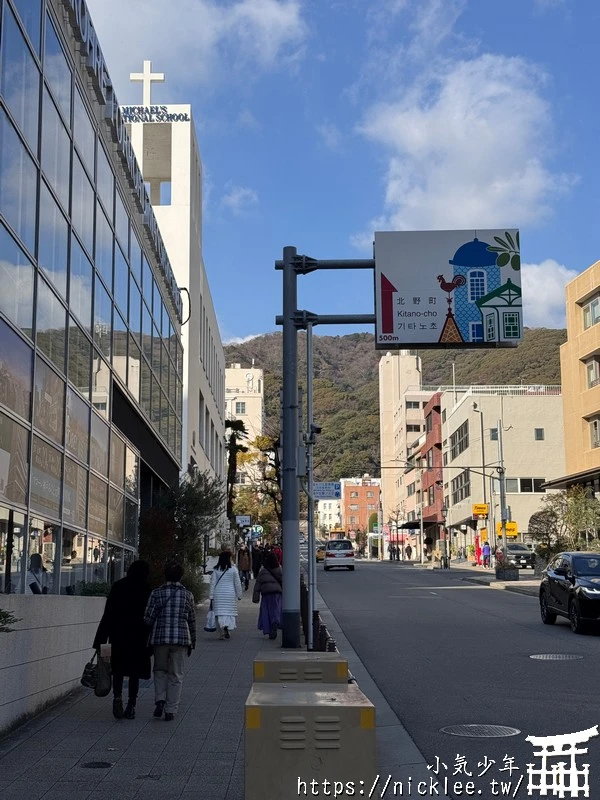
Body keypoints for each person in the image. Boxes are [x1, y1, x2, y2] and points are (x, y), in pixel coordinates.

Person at [93, 560, 151, 720]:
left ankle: (117, 697)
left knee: (117, 669)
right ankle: (131, 705)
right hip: (139, 637)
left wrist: (100, 639)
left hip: (118, 635)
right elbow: (150, 617)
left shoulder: (118, 586)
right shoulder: (146, 589)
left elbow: (108, 613)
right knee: (134, 672)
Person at [144, 561, 196, 722]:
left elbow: (148, 618)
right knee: (176, 674)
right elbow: (192, 621)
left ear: (165, 575)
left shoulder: (156, 593)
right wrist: (192, 641)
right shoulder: (188, 595)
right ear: (181, 576)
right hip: (181, 639)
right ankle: (171, 709)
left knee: (159, 670)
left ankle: (160, 700)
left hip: (160, 638)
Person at [209, 551, 242, 640]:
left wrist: (211, 595)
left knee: (219, 613)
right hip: (230, 594)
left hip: (218, 594)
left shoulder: (216, 569)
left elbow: (213, 583)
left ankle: (222, 631)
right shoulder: (234, 569)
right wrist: (239, 594)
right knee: (229, 613)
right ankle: (227, 627)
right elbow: (237, 583)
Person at [253, 551, 282, 639]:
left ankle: (269, 629)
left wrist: (255, 597)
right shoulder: (280, 569)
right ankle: (276, 622)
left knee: (266, 612)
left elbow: (258, 585)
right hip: (277, 594)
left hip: (266, 594)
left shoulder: (263, 571)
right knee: (276, 610)